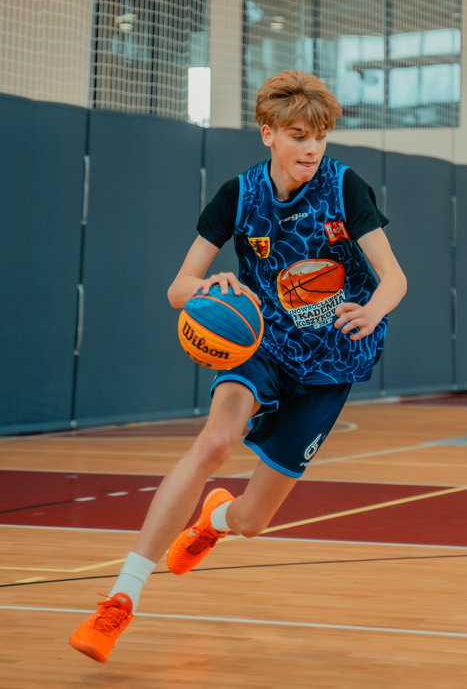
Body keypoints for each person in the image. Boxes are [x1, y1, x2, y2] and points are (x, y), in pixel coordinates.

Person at [70, 70, 407, 662]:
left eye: (320, 137)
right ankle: (119, 600)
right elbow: (177, 288)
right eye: (298, 135)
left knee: (253, 520)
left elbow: (395, 278)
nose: (311, 148)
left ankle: (216, 521)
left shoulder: (344, 187)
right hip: (263, 345)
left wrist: (374, 310)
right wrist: (209, 285)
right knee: (214, 442)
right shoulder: (240, 195)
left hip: (330, 362)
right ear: (268, 133)